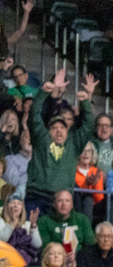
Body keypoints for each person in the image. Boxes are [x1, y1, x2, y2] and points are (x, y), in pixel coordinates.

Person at [25, 70, 98, 216]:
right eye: (54, 128)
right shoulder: (41, 139)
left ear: (68, 130)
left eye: (62, 127)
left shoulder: (74, 144)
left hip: (62, 202)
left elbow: (89, 124)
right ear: (48, 130)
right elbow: (34, 116)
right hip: (37, 197)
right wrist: (43, 93)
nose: (59, 131)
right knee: (30, 237)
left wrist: (86, 101)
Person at [0, 195, 40, 264]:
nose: (16, 205)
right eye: (12, 202)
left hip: (24, 261)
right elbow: (2, 241)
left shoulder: (27, 224)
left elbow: (37, 245)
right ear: (6, 206)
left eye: (19, 203)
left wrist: (33, 226)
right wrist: (11, 223)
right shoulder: (1, 222)